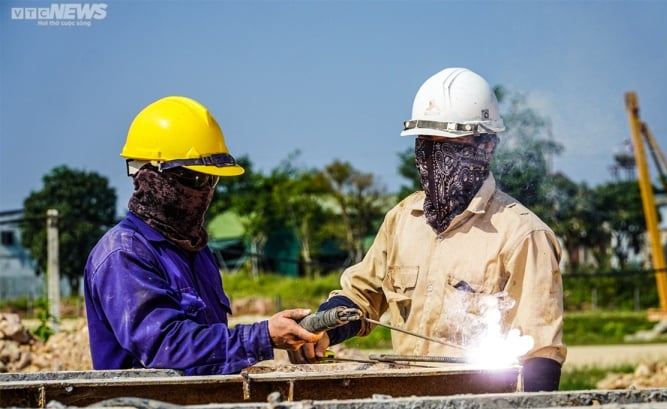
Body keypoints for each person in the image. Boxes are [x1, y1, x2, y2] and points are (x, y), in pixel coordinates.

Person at [293, 68, 566, 391]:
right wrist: (323, 327)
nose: (436, 159)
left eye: (451, 145)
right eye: (427, 144)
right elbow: (361, 296)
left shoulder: (522, 234)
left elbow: (540, 350)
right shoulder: (402, 220)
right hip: (407, 405)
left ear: (487, 146)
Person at [84, 96, 322, 375]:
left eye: (211, 179)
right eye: (194, 179)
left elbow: (209, 352)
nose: (205, 191)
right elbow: (166, 348)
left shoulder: (195, 250)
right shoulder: (123, 254)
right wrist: (262, 336)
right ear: (148, 175)